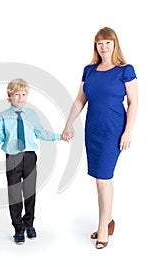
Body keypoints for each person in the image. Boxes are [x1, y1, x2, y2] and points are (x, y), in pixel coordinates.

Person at [62, 27, 138, 249]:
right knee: (98, 177)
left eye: (107, 42)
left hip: (113, 130)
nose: (103, 47)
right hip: (92, 129)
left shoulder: (125, 70)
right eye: (99, 43)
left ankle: (103, 226)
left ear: (115, 44)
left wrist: (128, 131)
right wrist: (69, 124)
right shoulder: (90, 70)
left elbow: (133, 102)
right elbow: (80, 100)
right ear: (95, 46)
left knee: (103, 178)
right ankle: (109, 219)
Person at [0, 78, 63, 244]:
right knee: (14, 194)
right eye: (17, 94)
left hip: (29, 156)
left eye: (24, 94)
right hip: (13, 157)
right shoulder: (3, 116)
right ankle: (18, 228)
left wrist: (59, 136)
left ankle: (29, 224)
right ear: (9, 95)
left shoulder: (32, 115)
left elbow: (41, 133)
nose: (20, 98)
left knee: (30, 192)